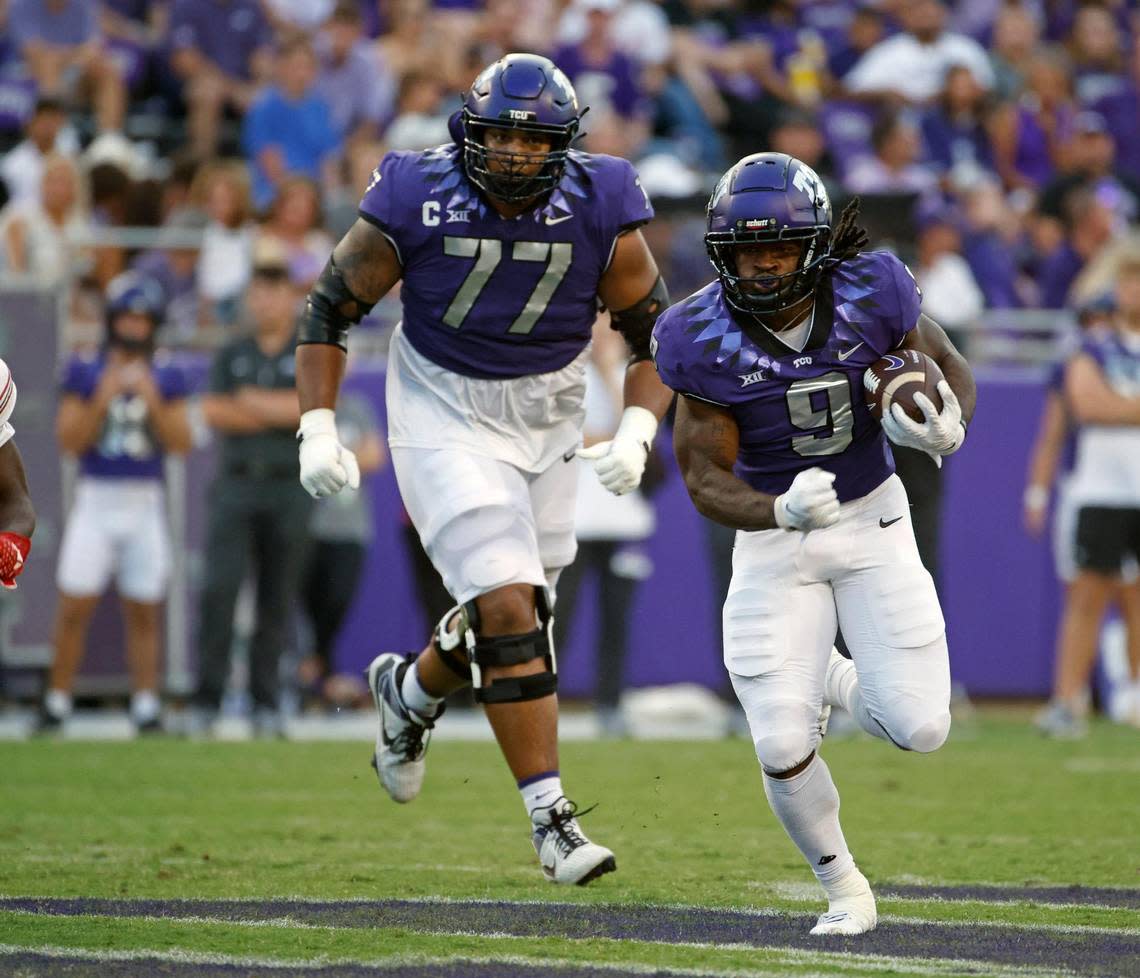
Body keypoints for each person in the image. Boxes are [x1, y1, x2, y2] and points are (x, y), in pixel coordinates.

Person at [294, 53, 672, 885]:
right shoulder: (414, 193)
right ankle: (552, 821)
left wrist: (641, 428)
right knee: (509, 608)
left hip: (551, 413)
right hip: (442, 409)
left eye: (536, 142)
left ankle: (411, 695)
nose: (517, 156)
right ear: (473, 133)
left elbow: (656, 335)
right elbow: (330, 305)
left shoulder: (603, 198)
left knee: (510, 622)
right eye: (502, 136)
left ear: (564, 146)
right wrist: (316, 426)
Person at [652, 152, 976, 935]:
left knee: (920, 727)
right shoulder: (698, 334)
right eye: (745, 251)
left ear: (817, 245)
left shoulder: (874, 291)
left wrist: (949, 423)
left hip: (872, 517)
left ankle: (829, 676)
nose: (763, 267)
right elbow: (700, 476)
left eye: (779, 248)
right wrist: (776, 511)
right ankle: (845, 889)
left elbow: (948, 365)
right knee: (779, 737)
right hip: (778, 540)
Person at [40, 273, 191, 733]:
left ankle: (146, 705)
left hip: (144, 499)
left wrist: (152, 400)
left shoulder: (166, 373)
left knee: (145, 607)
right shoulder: (86, 369)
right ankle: (56, 701)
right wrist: (102, 398)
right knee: (74, 604)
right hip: (96, 497)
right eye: (127, 317)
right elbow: (68, 440)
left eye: (142, 319)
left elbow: (181, 442)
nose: (134, 327)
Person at [193, 245, 311, 737]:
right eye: (256, 294)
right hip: (237, 484)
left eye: (273, 293)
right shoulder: (233, 351)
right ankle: (208, 700)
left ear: (290, 298)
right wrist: (276, 408)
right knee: (219, 590)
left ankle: (267, 700)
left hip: (289, 486)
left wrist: (251, 402)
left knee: (276, 597)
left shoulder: (308, 348)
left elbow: (309, 409)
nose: (264, 303)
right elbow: (214, 412)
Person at [1035, 255, 1140, 737]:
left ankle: (1133, 694)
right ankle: (1067, 699)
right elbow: (1089, 405)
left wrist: (1119, 405)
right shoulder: (1092, 348)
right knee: (1087, 595)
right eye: (1129, 280)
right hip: (1101, 489)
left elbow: (1106, 404)